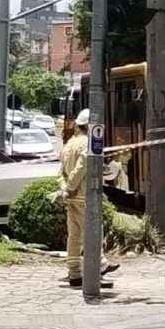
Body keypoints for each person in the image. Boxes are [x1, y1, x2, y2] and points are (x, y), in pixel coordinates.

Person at [54, 109, 117, 287]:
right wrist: (71, 186)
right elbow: (81, 168)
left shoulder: (69, 145)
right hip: (83, 196)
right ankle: (99, 269)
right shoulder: (86, 144)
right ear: (89, 126)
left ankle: (74, 273)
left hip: (71, 198)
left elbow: (61, 172)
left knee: (74, 236)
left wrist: (65, 189)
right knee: (93, 233)